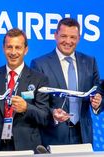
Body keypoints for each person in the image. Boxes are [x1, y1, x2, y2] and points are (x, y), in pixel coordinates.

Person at [30, 17, 103, 147]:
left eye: (73, 37)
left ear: (79, 38)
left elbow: (98, 91)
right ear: (55, 36)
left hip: (83, 136)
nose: (68, 41)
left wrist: (98, 102)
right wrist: (53, 113)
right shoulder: (40, 64)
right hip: (52, 135)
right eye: (63, 36)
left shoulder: (90, 62)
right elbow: (35, 102)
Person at [0, 28, 50, 154]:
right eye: (9, 47)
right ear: (3, 48)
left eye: (18, 47)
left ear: (26, 50)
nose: (13, 52)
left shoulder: (39, 79)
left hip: (27, 148)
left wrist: (26, 108)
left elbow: (45, 117)